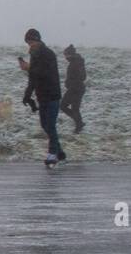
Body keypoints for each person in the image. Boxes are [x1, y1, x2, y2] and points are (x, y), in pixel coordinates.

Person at [18, 27, 65, 167]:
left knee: (50, 125)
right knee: (45, 125)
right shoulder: (34, 55)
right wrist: (27, 96)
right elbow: (33, 78)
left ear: (38, 40)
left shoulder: (48, 54)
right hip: (42, 96)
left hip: (52, 95)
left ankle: (52, 155)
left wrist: (28, 68)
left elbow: (45, 74)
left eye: (32, 41)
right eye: (28, 42)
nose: (30, 45)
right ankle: (60, 152)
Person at [60, 44, 86, 133]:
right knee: (72, 108)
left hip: (76, 89)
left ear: (70, 54)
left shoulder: (76, 63)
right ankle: (79, 123)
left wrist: (71, 83)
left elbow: (82, 77)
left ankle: (79, 125)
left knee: (64, 106)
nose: (65, 57)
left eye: (66, 55)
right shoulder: (76, 62)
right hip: (76, 88)